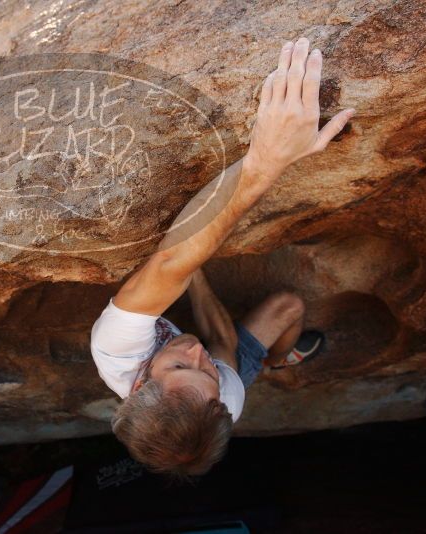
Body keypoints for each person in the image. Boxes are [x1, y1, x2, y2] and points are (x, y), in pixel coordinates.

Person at [90, 37, 355, 477]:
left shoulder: (116, 352)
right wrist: (270, 161)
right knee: (289, 306)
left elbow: (169, 266)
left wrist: (189, 270)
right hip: (235, 368)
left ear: (138, 386)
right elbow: (220, 340)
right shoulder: (226, 399)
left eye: (179, 364)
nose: (196, 354)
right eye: (206, 374)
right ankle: (278, 360)